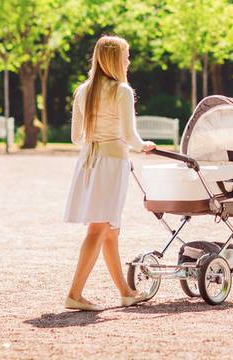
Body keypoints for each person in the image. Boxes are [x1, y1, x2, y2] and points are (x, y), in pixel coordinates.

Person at [63, 35, 155, 310]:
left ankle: (125, 292)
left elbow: (76, 137)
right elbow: (129, 135)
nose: (129, 60)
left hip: (88, 162)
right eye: (126, 55)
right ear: (116, 59)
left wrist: (97, 140)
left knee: (110, 230)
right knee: (99, 227)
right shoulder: (121, 91)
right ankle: (75, 294)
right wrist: (143, 146)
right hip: (112, 164)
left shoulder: (84, 90)